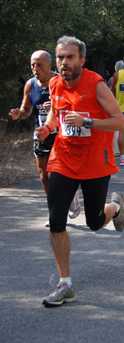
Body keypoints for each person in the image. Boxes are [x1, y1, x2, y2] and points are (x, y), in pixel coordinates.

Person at [36, 36, 124, 307]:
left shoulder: (96, 84)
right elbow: (56, 112)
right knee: (56, 219)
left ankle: (114, 206)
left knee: (94, 222)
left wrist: (87, 120)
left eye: (70, 57)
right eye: (61, 57)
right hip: (63, 158)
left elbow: (119, 122)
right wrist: (47, 127)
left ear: (81, 60)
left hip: (94, 160)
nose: (64, 63)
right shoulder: (54, 83)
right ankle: (65, 284)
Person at [8, 50, 80, 220]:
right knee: (44, 175)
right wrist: (20, 114)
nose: (35, 68)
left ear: (49, 65)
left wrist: (56, 109)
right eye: (32, 65)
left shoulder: (62, 81)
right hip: (41, 135)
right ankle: (54, 211)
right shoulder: (30, 85)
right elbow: (26, 110)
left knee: (58, 175)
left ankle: (71, 197)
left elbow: (77, 106)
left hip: (62, 134)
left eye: (39, 64)